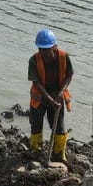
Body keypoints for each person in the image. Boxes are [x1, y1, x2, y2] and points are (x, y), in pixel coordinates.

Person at [27, 28, 74, 162]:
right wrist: (48, 99)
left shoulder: (64, 57)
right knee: (36, 125)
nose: (43, 52)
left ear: (54, 47)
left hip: (57, 96)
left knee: (59, 126)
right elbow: (36, 82)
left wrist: (61, 92)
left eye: (46, 49)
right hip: (40, 97)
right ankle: (36, 151)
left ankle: (58, 154)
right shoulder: (34, 60)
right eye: (40, 49)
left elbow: (69, 75)